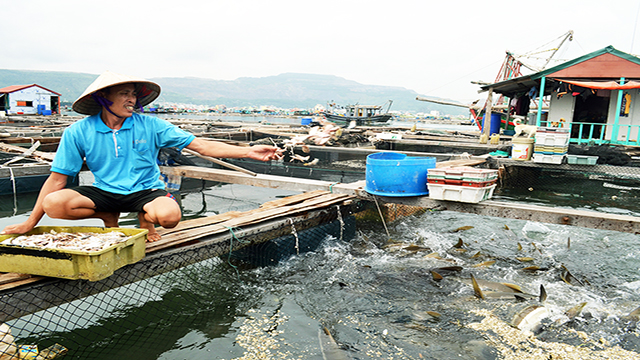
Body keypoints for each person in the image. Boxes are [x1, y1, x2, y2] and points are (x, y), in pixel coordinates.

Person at [0, 71, 282, 241]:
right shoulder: (78, 131)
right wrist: (30, 222)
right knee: (55, 203)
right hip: (105, 192)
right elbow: (57, 180)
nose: (132, 100)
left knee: (170, 216)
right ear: (103, 98)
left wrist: (248, 151)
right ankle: (109, 214)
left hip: (147, 190)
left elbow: (201, 146)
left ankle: (145, 219)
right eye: (124, 94)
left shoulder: (152, 125)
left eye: (133, 95)